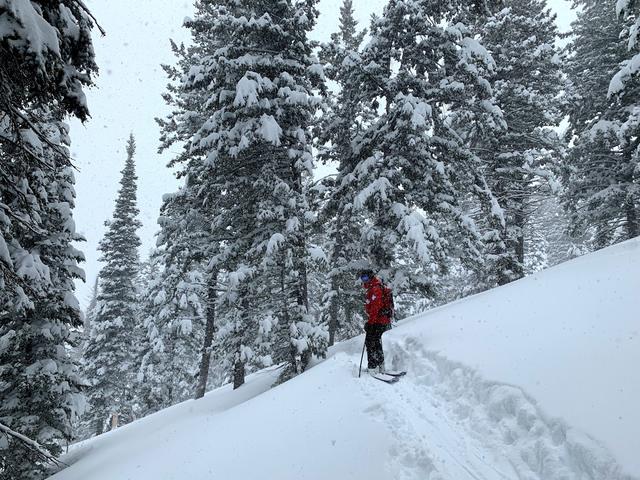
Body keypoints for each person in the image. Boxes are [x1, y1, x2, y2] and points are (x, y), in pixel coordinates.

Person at [358, 269, 393, 373]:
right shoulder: (374, 287)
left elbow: (375, 308)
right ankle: (379, 365)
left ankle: (374, 366)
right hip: (379, 320)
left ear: (370, 277)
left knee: (371, 342)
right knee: (375, 342)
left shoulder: (375, 288)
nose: (364, 280)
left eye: (365, 278)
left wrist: (370, 322)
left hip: (379, 321)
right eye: (362, 278)